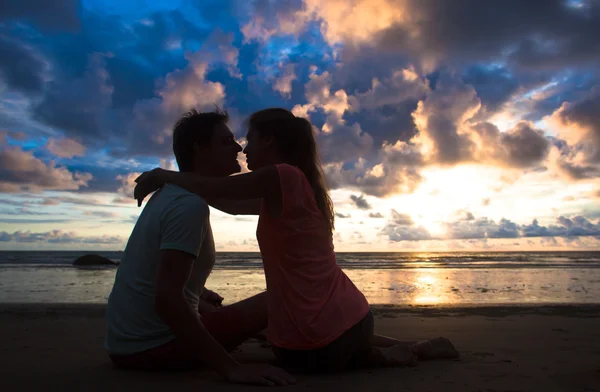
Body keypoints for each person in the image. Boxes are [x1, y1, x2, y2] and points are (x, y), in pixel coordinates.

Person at [134, 108, 459, 374]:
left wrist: (163, 176)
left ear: (270, 140)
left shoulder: (284, 175)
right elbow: (228, 204)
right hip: (341, 327)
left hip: (308, 349)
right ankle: (390, 351)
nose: (244, 149)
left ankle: (383, 354)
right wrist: (185, 187)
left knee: (307, 341)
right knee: (324, 339)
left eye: (250, 140)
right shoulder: (294, 187)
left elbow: (221, 192)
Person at [105, 109, 295, 387]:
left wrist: (199, 294)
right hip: (154, 348)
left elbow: (160, 278)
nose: (238, 147)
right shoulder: (187, 207)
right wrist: (232, 369)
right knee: (284, 295)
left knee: (216, 306)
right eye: (226, 141)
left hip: (124, 345)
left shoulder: (172, 195)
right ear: (200, 148)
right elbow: (167, 300)